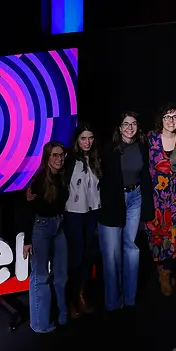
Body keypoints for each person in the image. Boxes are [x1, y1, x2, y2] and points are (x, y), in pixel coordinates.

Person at [98, 111, 154, 311]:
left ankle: (129, 299)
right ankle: (113, 302)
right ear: (119, 128)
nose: (130, 128)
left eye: (133, 124)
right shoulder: (108, 150)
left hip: (135, 198)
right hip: (114, 201)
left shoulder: (142, 146)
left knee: (131, 247)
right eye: (126, 124)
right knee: (112, 254)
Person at [23, 142, 70, 333]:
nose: (59, 159)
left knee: (61, 275)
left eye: (61, 155)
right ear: (47, 158)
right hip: (40, 229)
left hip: (59, 226)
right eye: (55, 156)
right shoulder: (39, 180)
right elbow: (27, 211)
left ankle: (62, 312)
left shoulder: (63, 176)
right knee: (40, 276)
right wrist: (27, 241)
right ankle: (40, 324)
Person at [145, 105, 176, 296]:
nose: (171, 120)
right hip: (156, 198)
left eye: (174, 117)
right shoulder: (150, 139)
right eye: (167, 117)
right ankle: (161, 271)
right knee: (157, 236)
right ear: (160, 120)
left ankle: (167, 271)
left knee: (174, 236)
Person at [63, 123, 101, 319]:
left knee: (88, 256)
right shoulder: (69, 160)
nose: (87, 142)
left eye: (90, 138)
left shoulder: (96, 159)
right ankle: (70, 299)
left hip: (93, 212)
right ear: (77, 140)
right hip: (73, 214)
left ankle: (81, 294)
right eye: (83, 138)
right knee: (75, 258)